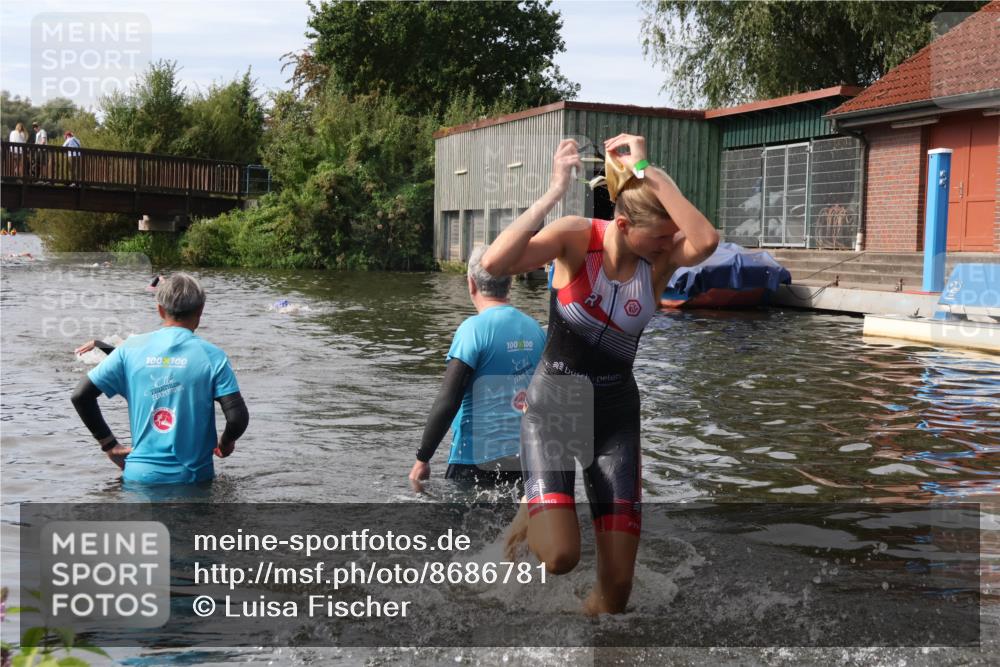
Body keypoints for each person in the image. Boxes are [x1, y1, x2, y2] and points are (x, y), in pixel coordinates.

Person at [483, 134, 719, 615]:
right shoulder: (575, 238)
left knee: (616, 595)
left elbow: (707, 239)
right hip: (554, 409)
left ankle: (588, 642)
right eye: (658, 236)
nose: (668, 245)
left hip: (615, 418)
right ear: (626, 224)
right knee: (562, 557)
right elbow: (494, 264)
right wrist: (553, 191)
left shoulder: (659, 261)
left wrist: (646, 168)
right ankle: (533, 511)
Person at [71, 273, 249, 484]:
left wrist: (110, 445)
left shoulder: (129, 349)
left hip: (138, 477)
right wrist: (226, 442)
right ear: (201, 310)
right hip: (192, 480)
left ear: (160, 310)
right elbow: (237, 418)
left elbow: (80, 395)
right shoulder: (213, 356)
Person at [409, 245, 546, 493]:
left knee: (461, 531)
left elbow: (448, 399)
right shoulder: (535, 330)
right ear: (511, 282)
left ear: (471, 283)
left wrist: (423, 458)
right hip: (525, 460)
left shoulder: (472, 330)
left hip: (473, 461)